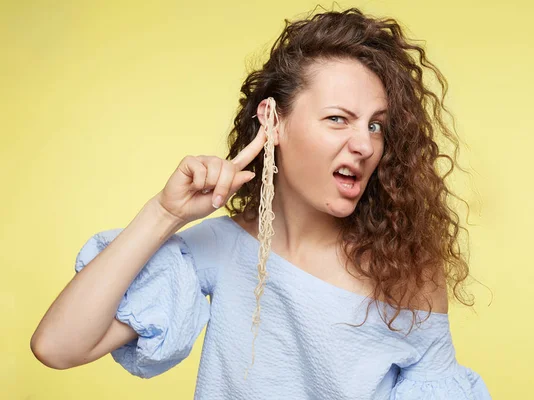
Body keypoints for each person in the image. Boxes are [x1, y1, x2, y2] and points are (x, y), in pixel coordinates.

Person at [30, 7, 492, 400]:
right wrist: (165, 214)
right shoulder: (223, 248)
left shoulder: (405, 269)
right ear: (273, 121)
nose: (365, 145)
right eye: (338, 119)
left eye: (375, 125)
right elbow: (58, 346)